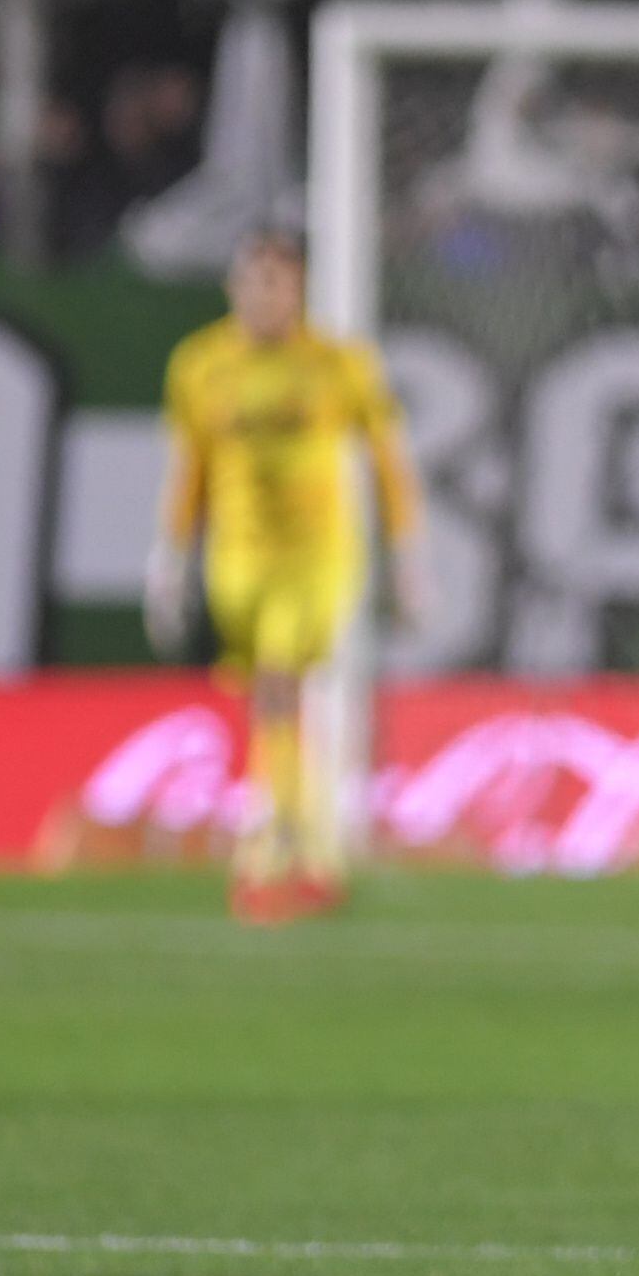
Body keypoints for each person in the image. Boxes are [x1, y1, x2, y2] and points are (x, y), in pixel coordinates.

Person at [144, 226, 430, 923]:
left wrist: (409, 557)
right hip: (238, 559)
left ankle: (270, 853)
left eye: (277, 282)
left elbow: (389, 463)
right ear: (232, 288)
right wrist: (170, 555)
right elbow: (192, 469)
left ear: (297, 289)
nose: (263, 295)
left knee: (278, 682)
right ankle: (318, 853)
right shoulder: (200, 364)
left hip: (317, 555)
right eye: (253, 281)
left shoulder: (339, 364)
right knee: (274, 698)